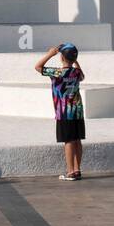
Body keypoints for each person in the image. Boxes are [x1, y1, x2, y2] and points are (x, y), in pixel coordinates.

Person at [35, 42, 85, 181]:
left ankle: (70, 172)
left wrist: (50, 54)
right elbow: (82, 77)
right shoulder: (76, 72)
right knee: (77, 140)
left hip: (64, 113)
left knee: (68, 141)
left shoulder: (57, 73)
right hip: (78, 112)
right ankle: (77, 169)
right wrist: (76, 62)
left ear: (62, 57)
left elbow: (38, 67)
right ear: (74, 58)